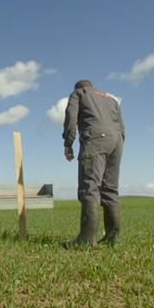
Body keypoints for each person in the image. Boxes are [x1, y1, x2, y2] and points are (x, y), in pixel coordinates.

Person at [62, 79, 125, 248]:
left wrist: (68, 143)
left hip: (96, 139)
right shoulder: (111, 99)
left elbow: (71, 117)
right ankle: (112, 237)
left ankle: (86, 239)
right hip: (117, 141)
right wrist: (117, 143)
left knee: (90, 187)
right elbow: (121, 127)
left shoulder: (79, 94)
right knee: (110, 188)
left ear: (80, 87)